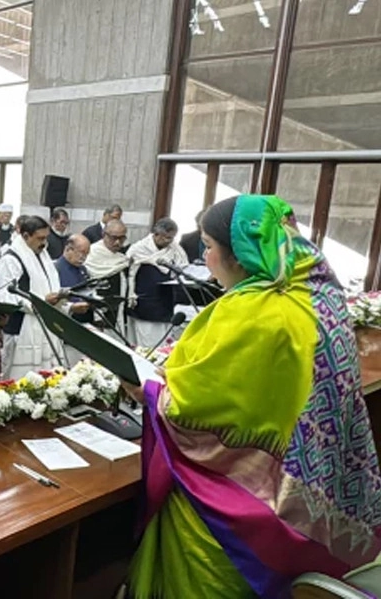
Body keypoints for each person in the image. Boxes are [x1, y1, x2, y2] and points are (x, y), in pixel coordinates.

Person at [123, 195, 381, 597]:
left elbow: (193, 409)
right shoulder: (320, 298)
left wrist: (151, 391)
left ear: (240, 254)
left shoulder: (251, 311)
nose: (204, 258)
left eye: (208, 246)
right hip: (315, 502)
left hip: (243, 511)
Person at [0, 216, 69, 378]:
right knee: (19, 380)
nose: (44, 243)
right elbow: (8, 295)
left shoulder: (43, 255)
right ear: (25, 236)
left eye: (46, 238)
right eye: (40, 238)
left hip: (46, 323)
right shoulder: (11, 258)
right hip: (20, 328)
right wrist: (42, 302)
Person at [126, 218, 189, 347]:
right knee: (147, 346)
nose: (169, 241)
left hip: (166, 303)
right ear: (156, 234)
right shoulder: (139, 249)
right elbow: (129, 273)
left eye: (172, 238)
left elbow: (183, 267)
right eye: (167, 237)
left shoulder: (176, 249)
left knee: (165, 345)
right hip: (144, 304)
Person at [85, 219, 130, 339]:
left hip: (117, 313)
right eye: (113, 238)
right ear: (104, 235)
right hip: (97, 314)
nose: (117, 242)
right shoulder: (91, 254)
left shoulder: (121, 258)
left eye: (122, 238)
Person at [54, 235, 93, 324]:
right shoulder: (54, 269)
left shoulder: (83, 270)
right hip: (64, 318)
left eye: (86, 254)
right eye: (81, 252)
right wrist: (71, 307)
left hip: (84, 317)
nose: (83, 257)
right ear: (68, 249)